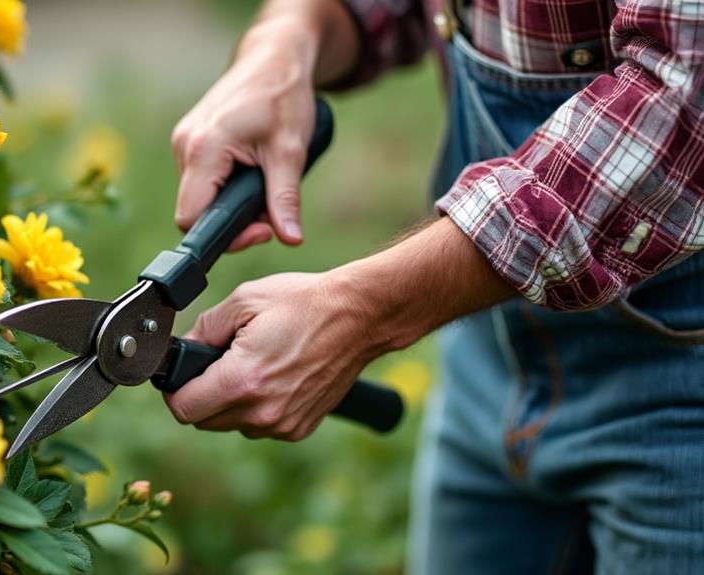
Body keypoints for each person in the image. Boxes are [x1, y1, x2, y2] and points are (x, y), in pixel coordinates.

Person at [161, 0, 704, 572]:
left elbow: (687, 97)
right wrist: (287, 40)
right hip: (485, 347)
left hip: (681, 394)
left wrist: (362, 308)